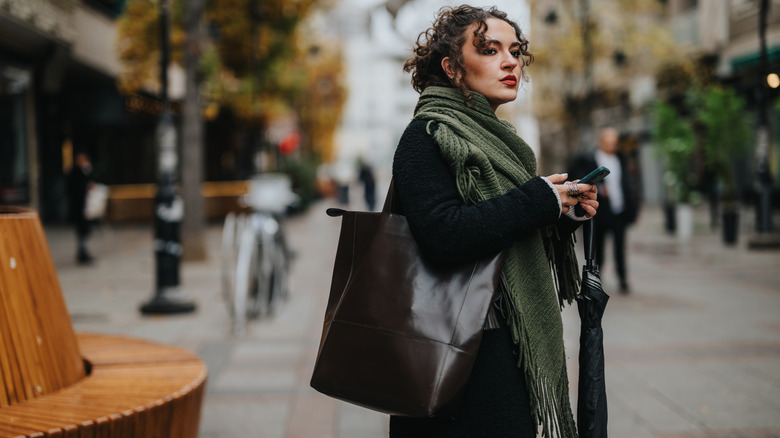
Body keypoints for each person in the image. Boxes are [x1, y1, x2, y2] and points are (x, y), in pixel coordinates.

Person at [391, 6, 599, 437]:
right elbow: (443, 234)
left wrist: (563, 211)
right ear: (451, 67)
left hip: (500, 347)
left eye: (516, 51)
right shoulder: (428, 134)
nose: (511, 63)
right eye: (489, 50)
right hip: (453, 356)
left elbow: (504, 234)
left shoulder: (506, 144)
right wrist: (537, 198)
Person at [569, 127, 639, 293]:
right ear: (601, 142)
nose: (611, 145)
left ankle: (622, 279)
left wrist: (633, 207)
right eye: (608, 141)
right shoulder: (590, 159)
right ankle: (597, 280)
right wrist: (599, 188)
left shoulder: (621, 159)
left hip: (619, 210)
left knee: (620, 247)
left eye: (614, 141)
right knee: (598, 248)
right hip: (600, 212)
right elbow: (581, 180)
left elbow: (628, 184)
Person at [68, 151, 95, 265]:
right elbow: (76, 188)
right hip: (79, 207)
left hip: (85, 206)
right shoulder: (75, 172)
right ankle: (82, 254)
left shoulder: (85, 171)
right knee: (81, 231)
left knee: (85, 231)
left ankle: (83, 253)